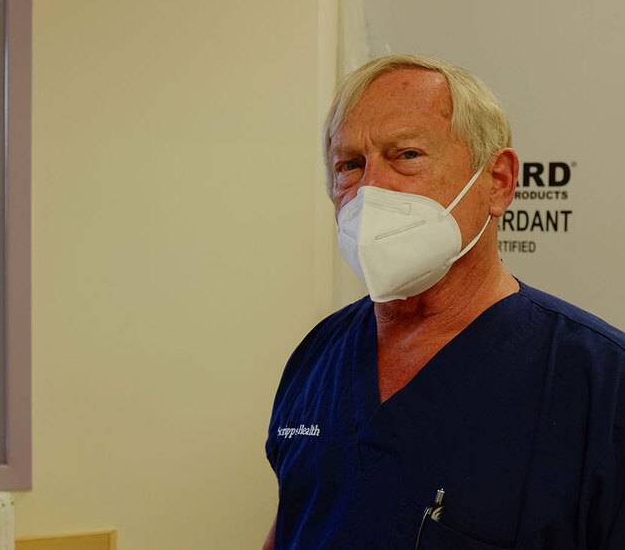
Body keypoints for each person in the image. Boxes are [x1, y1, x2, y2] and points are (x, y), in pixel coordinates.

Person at [264, 55, 624, 550]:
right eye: (349, 165)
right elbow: (295, 524)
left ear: (498, 182)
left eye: (407, 155)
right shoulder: (318, 357)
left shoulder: (600, 384)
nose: (371, 190)